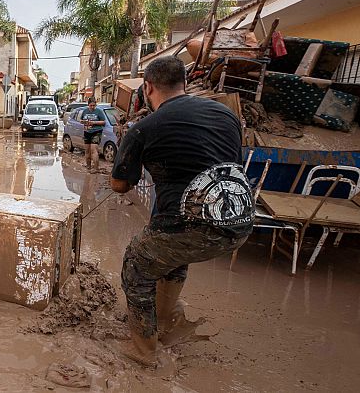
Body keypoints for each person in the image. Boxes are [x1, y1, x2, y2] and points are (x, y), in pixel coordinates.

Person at [110, 56, 254, 367]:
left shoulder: (144, 127)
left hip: (190, 224)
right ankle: (163, 321)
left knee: (136, 264)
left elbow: (120, 185)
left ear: (147, 87)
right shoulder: (226, 115)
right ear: (185, 84)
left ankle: (144, 349)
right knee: (171, 256)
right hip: (239, 219)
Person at [80, 98, 106, 173]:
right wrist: (83, 122)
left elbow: (104, 122)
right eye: (90, 105)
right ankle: (88, 167)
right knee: (87, 150)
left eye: (93, 105)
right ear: (88, 105)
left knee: (94, 150)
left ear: (95, 105)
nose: (92, 107)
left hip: (96, 132)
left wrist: (94, 123)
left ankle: (96, 168)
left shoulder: (99, 111)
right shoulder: (85, 111)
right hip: (87, 132)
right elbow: (81, 120)